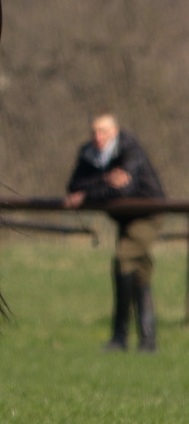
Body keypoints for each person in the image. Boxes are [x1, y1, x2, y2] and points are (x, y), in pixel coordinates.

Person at [64, 112, 165, 352]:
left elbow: (124, 190)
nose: (98, 137)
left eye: (104, 131)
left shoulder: (130, 148)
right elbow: (73, 186)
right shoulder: (88, 153)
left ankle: (120, 337)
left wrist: (89, 194)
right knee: (140, 272)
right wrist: (107, 179)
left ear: (115, 132)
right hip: (125, 219)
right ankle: (147, 341)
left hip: (147, 214)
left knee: (124, 260)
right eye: (95, 132)